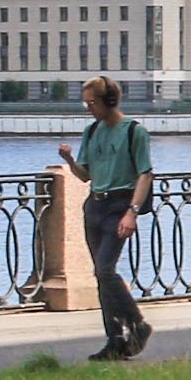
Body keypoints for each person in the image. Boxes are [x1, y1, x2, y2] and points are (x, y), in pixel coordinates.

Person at [57, 76, 156, 360]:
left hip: (119, 206)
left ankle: (137, 324)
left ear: (109, 101)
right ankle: (115, 340)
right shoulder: (92, 131)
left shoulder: (134, 131)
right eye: (86, 103)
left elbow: (145, 174)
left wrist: (132, 213)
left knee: (105, 270)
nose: (88, 108)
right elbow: (85, 175)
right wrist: (70, 161)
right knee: (101, 276)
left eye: (92, 103)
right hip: (95, 207)